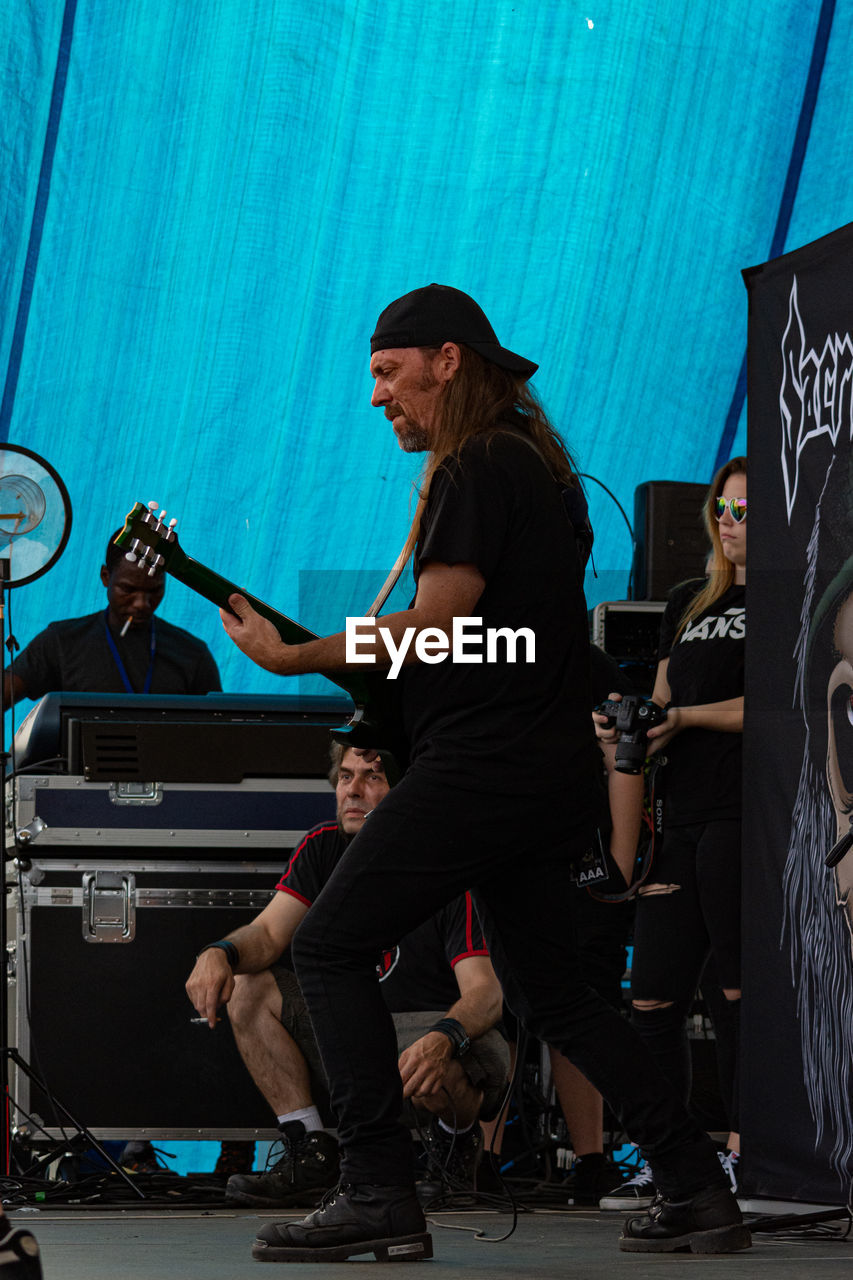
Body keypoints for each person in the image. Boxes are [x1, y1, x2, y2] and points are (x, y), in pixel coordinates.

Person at [217, 284, 748, 1262]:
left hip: (490, 764)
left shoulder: (477, 463)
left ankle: (376, 1185)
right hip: (543, 772)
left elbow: (443, 625)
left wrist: (295, 657)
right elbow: (507, 636)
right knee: (558, 992)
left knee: (329, 945)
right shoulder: (537, 467)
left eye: (387, 372)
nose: (377, 396)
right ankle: (694, 1184)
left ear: (446, 359)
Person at [185, 744, 509, 1208]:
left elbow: (486, 993)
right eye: (345, 776)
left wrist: (443, 1038)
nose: (353, 791)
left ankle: (454, 1145)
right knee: (251, 985)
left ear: (410, 791)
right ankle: (311, 1150)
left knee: (462, 1048)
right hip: (350, 1035)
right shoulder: (323, 847)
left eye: (373, 778)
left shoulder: (449, 859)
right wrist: (221, 952)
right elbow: (268, 933)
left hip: (423, 1037)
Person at [594, 457, 747, 1211]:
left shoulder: (791, 595)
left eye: (746, 510)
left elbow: (783, 705)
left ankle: (742, 1154)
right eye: (722, 506)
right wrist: (631, 728)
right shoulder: (689, 598)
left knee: (732, 988)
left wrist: (687, 719)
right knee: (651, 995)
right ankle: (671, 1156)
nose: (728, 520)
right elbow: (662, 703)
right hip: (679, 816)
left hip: (744, 811)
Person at [3, 530, 221, 707]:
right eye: (128, 589)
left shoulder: (192, 655)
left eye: (154, 591)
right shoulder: (61, 642)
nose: (142, 603)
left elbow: (221, 736)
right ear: (106, 577)